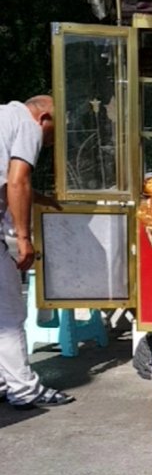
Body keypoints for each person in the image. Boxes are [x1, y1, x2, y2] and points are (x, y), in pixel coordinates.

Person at [0, 96, 75, 408]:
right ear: (44, 118)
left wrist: (43, 199)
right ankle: (24, 390)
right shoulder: (27, 124)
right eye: (54, 133)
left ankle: (5, 381)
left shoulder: (4, 118)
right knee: (8, 316)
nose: (51, 142)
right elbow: (17, 181)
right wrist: (24, 238)